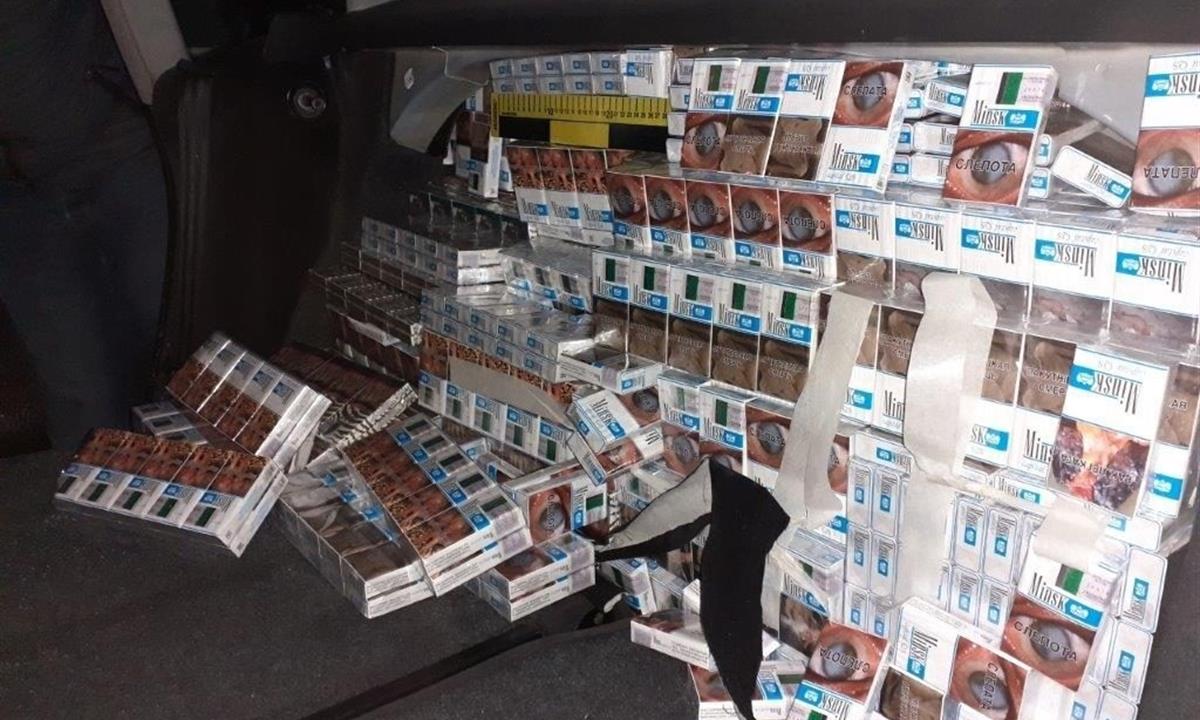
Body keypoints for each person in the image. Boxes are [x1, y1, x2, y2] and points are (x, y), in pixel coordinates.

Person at [0, 1, 168, 449]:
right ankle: (108, 492)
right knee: (81, 391)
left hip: (116, 145)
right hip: (16, 199)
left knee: (181, 350)